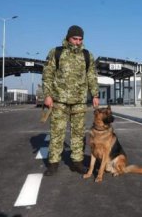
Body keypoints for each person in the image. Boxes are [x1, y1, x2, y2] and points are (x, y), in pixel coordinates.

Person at [42, 25, 99, 176]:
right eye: (75, 39)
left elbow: (91, 76)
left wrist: (95, 95)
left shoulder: (87, 55)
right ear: (68, 37)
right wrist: (47, 95)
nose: (77, 42)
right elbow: (48, 74)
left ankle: (77, 162)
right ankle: (53, 163)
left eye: (80, 39)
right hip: (59, 101)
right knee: (57, 133)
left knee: (79, 134)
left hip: (79, 101)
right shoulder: (56, 52)